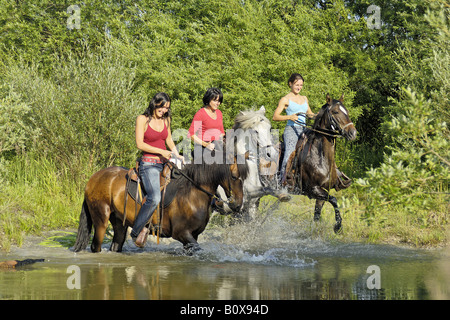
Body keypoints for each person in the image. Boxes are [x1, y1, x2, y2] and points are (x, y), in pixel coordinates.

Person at [131, 92, 184, 247]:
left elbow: (169, 140)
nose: (164, 110)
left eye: (167, 108)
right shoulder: (143, 119)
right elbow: (139, 144)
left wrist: (177, 155)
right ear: (155, 104)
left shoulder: (166, 120)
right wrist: (161, 152)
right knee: (154, 197)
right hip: (148, 165)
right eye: (162, 107)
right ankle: (135, 232)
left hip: (165, 164)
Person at [273, 73, 316, 182]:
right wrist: (290, 117)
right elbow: (275, 116)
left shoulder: (304, 98)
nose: (299, 87)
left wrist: (320, 115)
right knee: (290, 152)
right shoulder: (285, 99)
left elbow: (310, 114)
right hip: (291, 130)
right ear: (290, 84)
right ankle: (282, 180)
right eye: (297, 85)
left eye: (301, 85)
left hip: (305, 130)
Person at [188, 88, 225, 163]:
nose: (217, 103)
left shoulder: (219, 113)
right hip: (203, 148)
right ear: (208, 100)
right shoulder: (201, 114)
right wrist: (206, 144)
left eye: (219, 101)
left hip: (217, 147)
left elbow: (222, 132)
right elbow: (191, 134)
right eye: (215, 100)